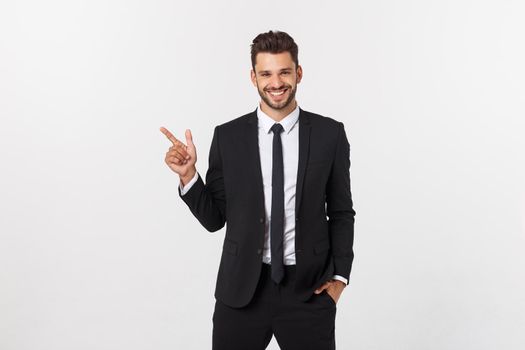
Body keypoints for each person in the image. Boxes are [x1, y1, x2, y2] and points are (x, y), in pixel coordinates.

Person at [160, 30, 355, 350]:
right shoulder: (228, 137)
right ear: (253, 77)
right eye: (266, 73)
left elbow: (341, 212)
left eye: (284, 72)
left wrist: (340, 279)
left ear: (298, 73)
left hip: (308, 292)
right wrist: (188, 176)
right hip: (241, 291)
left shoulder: (329, 135)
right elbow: (214, 220)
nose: (275, 83)